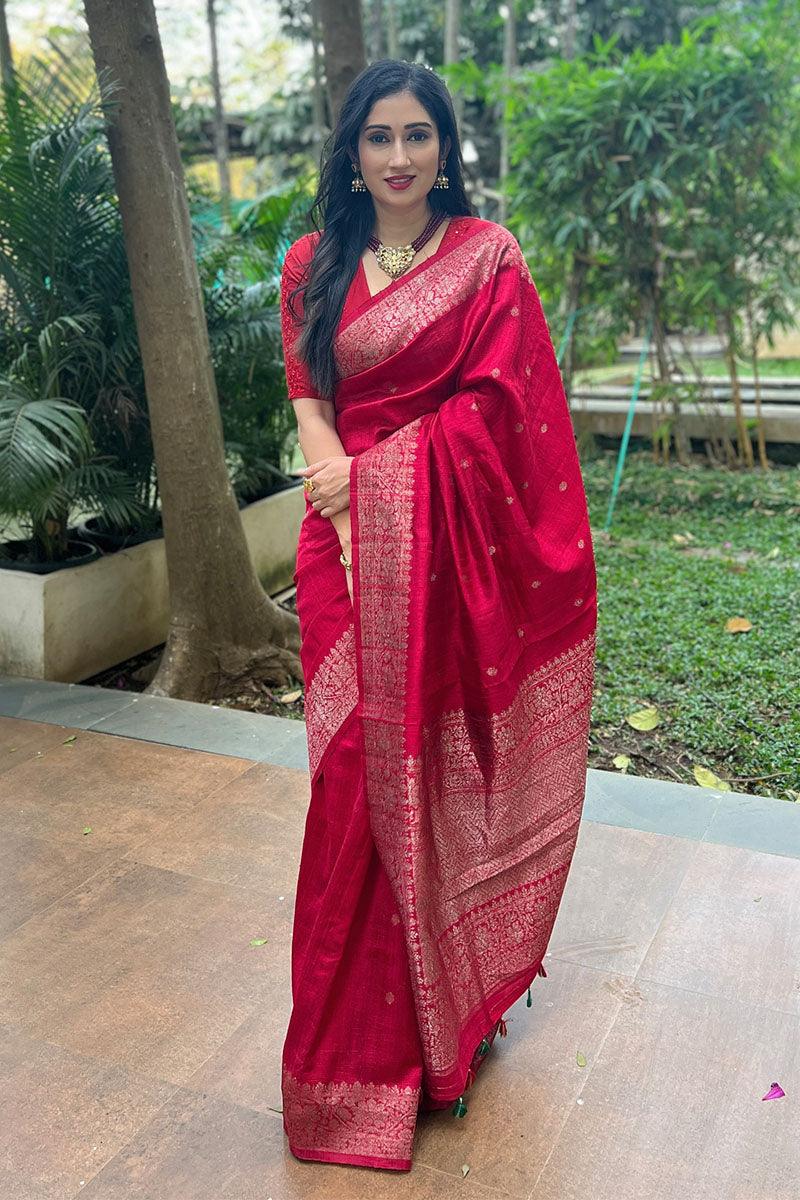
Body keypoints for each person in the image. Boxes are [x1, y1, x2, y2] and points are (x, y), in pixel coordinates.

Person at [278, 57, 597, 1173]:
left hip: (445, 545)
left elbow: (506, 413)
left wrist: (382, 487)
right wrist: (341, 493)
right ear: (351, 152)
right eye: (379, 137)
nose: (400, 157)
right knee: (351, 778)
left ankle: (433, 1028)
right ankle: (343, 1067)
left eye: (418, 135)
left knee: (427, 765)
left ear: (444, 147)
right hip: (341, 545)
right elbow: (309, 391)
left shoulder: (486, 261)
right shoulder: (312, 264)